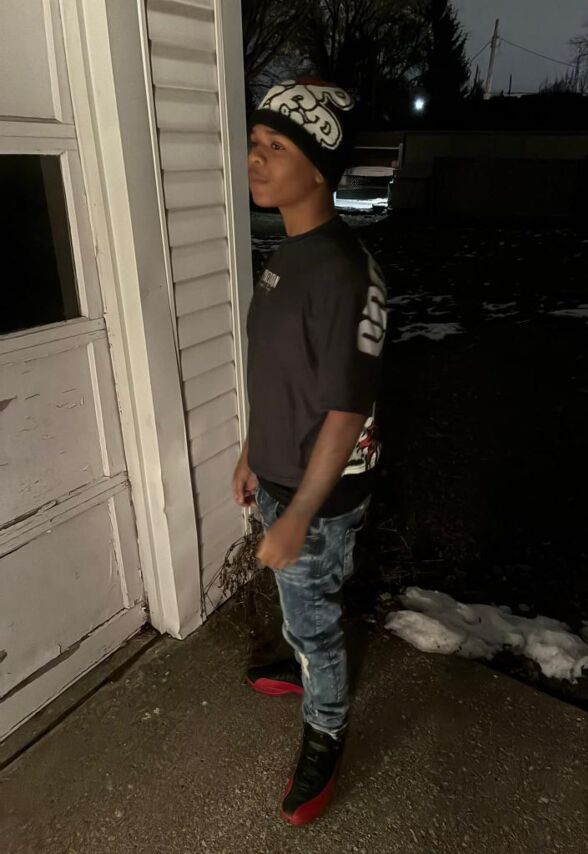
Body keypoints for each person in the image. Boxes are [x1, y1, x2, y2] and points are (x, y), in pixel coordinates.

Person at [231, 78, 388, 827]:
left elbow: (347, 409)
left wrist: (297, 516)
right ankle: (303, 662)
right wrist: (250, 453)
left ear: (320, 169)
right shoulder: (288, 252)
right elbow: (278, 372)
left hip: (318, 497)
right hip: (281, 473)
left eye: (277, 147)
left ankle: (327, 727)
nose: (255, 158)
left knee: (315, 623)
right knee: (303, 611)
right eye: (255, 143)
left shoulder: (343, 272)